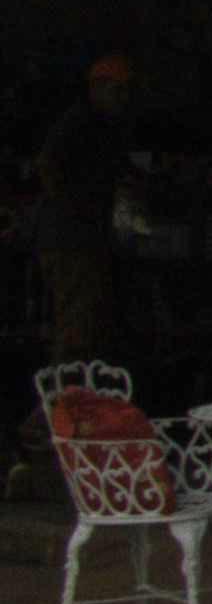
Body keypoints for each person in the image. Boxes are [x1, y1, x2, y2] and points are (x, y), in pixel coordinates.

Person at [28, 52, 135, 368]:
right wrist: (73, 207)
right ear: (97, 88)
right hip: (72, 241)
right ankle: (66, 390)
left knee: (88, 322)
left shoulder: (102, 128)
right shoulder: (80, 123)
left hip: (82, 239)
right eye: (117, 90)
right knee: (78, 326)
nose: (123, 99)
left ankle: (75, 385)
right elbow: (48, 165)